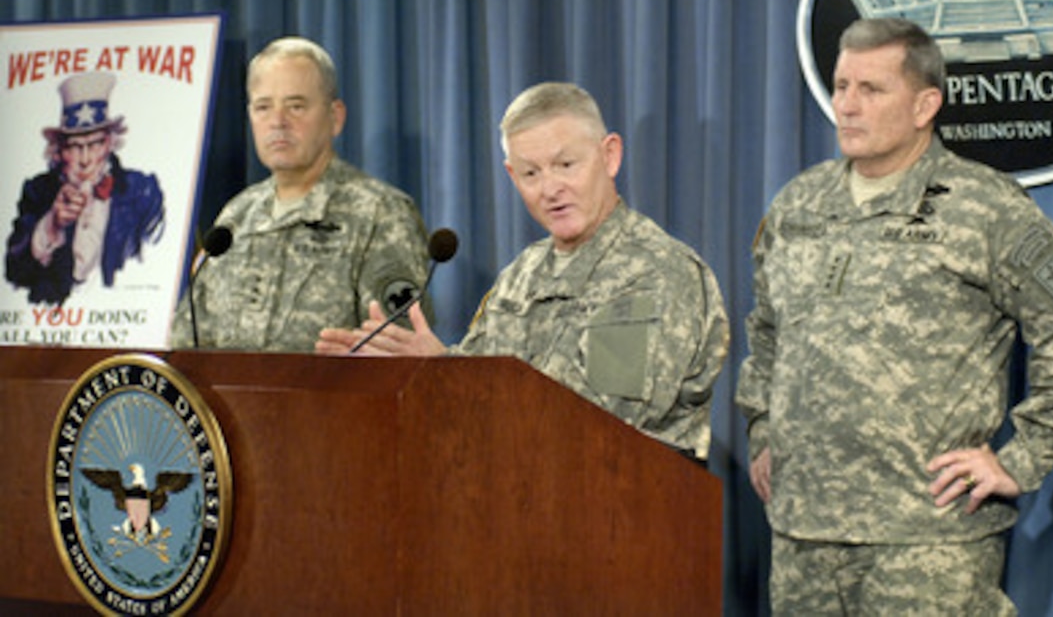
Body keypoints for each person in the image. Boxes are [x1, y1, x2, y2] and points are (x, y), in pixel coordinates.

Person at [735, 17, 1053, 614]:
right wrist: (762, 427)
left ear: (926, 104)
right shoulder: (799, 203)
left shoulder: (985, 207)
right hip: (804, 535)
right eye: (842, 85)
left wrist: (1021, 459)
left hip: (928, 542)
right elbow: (767, 329)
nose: (846, 105)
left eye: (871, 90)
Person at [318, 81, 729, 462]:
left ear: (610, 156)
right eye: (531, 173)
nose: (550, 189)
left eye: (566, 164)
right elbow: (482, 373)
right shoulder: (523, 272)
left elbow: (595, 420)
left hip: (618, 519)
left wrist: (448, 375)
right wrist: (428, 370)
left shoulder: (657, 271)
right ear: (512, 176)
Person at [170, 36, 431, 353]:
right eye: (263, 107)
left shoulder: (379, 213)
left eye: (296, 106)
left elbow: (398, 351)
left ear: (335, 117)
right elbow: (187, 342)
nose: (277, 122)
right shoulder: (236, 216)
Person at [6, 71, 165, 305]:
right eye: (75, 147)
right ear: (59, 151)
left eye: (95, 144)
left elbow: (157, 273)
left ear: (110, 143)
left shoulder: (141, 191)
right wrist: (52, 225)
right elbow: (13, 273)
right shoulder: (37, 191)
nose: (86, 159)